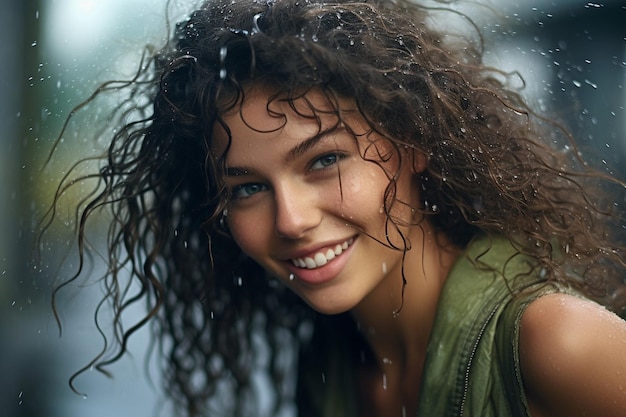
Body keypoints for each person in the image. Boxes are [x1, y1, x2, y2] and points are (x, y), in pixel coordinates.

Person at [42, 0, 626, 416]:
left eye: (324, 161)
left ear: (413, 141)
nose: (292, 220)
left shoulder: (553, 343)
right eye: (246, 188)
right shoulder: (332, 367)